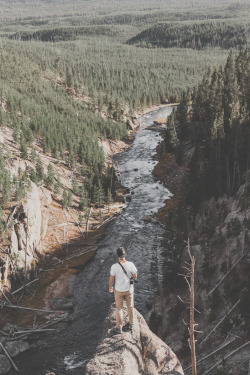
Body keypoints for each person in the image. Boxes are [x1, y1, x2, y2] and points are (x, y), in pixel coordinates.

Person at [109, 247, 137, 334]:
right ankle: (131, 324)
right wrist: (132, 283)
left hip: (118, 290)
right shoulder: (131, 264)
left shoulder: (114, 267)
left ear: (117, 255)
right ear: (125, 255)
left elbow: (111, 279)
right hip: (129, 289)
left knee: (119, 309)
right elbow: (135, 276)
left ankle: (119, 328)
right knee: (130, 307)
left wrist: (110, 286)